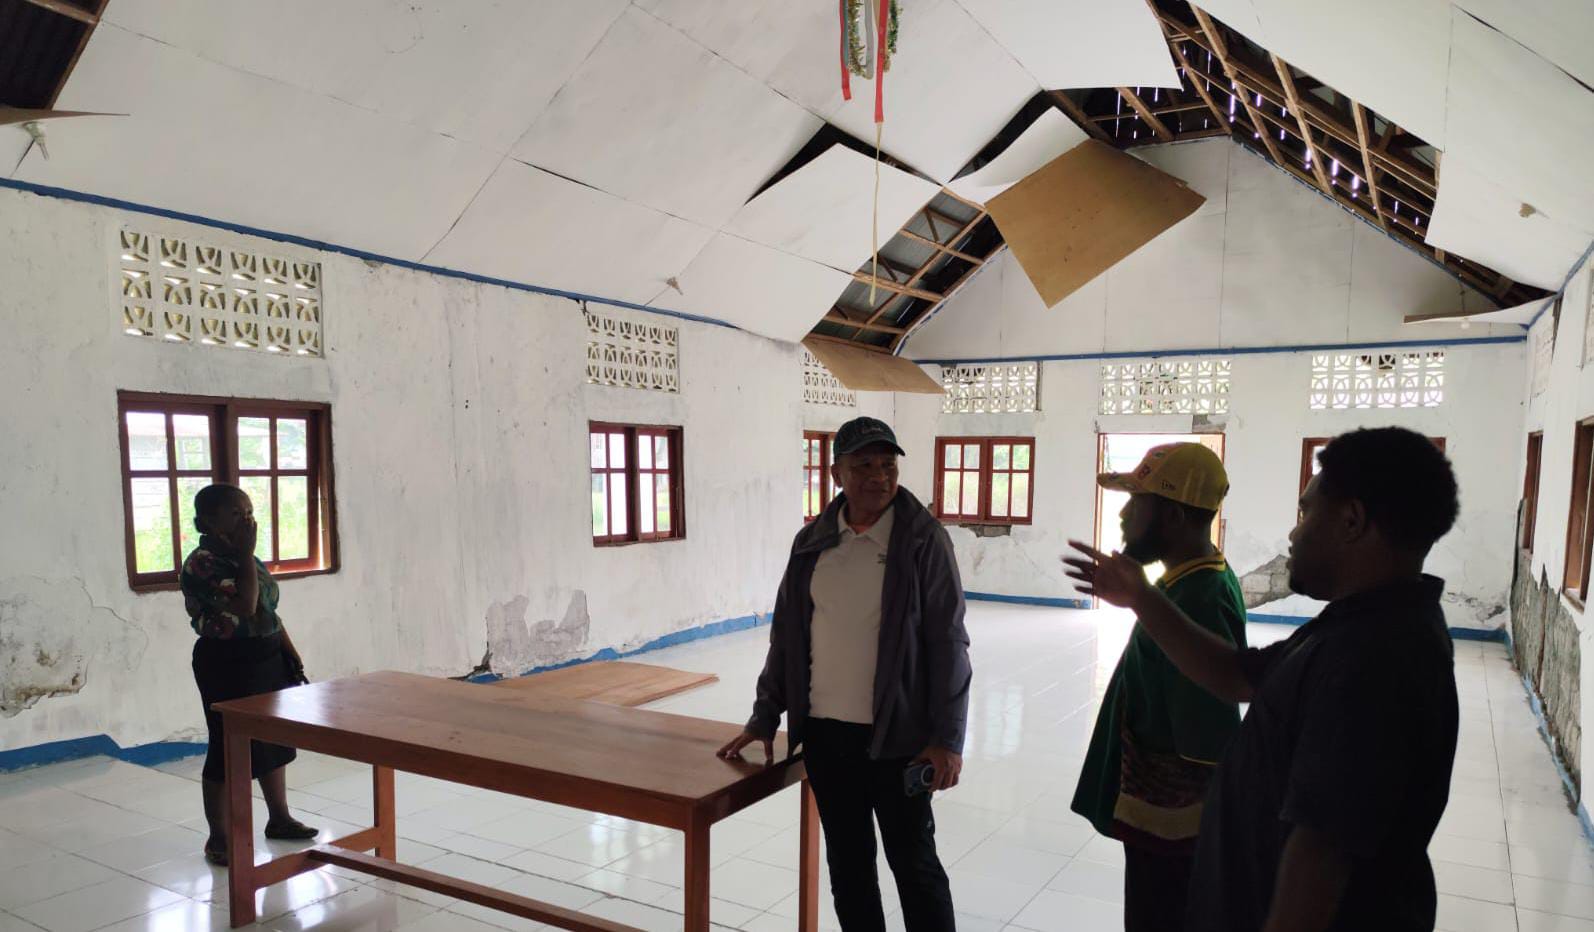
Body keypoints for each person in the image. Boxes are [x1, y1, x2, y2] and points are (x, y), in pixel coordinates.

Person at [1065, 427, 1461, 932]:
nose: (1294, 534)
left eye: (1306, 513)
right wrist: (1140, 597)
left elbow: (1322, 852)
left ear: (1352, 521)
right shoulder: (1356, 626)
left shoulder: (1374, 662)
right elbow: (1235, 675)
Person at [718, 416, 971, 932]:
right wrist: (765, 715)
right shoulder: (812, 542)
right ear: (836, 474)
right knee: (850, 869)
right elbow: (788, 636)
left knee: (915, 867)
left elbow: (949, 642)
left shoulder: (923, 540)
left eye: (888, 465)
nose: (878, 476)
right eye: (863, 465)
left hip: (900, 740)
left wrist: (947, 738)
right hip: (828, 739)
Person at [1070, 443, 1246, 932]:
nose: (1123, 515)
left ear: (1172, 516)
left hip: (1174, 820)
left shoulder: (1201, 595)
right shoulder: (1183, 582)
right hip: (1162, 816)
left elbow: (1210, 730)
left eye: (1136, 502)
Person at [183, 483, 317, 866]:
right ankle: (219, 837)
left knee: (272, 738)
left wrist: (289, 651)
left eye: (249, 512)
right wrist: (244, 555)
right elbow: (245, 604)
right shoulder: (202, 563)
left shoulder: (246, 557)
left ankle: (280, 818)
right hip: (226, 662)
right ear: (208, 521)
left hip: (266, 655)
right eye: (236, 513)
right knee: (227, 746)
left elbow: (267, 612)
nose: (247, 520)